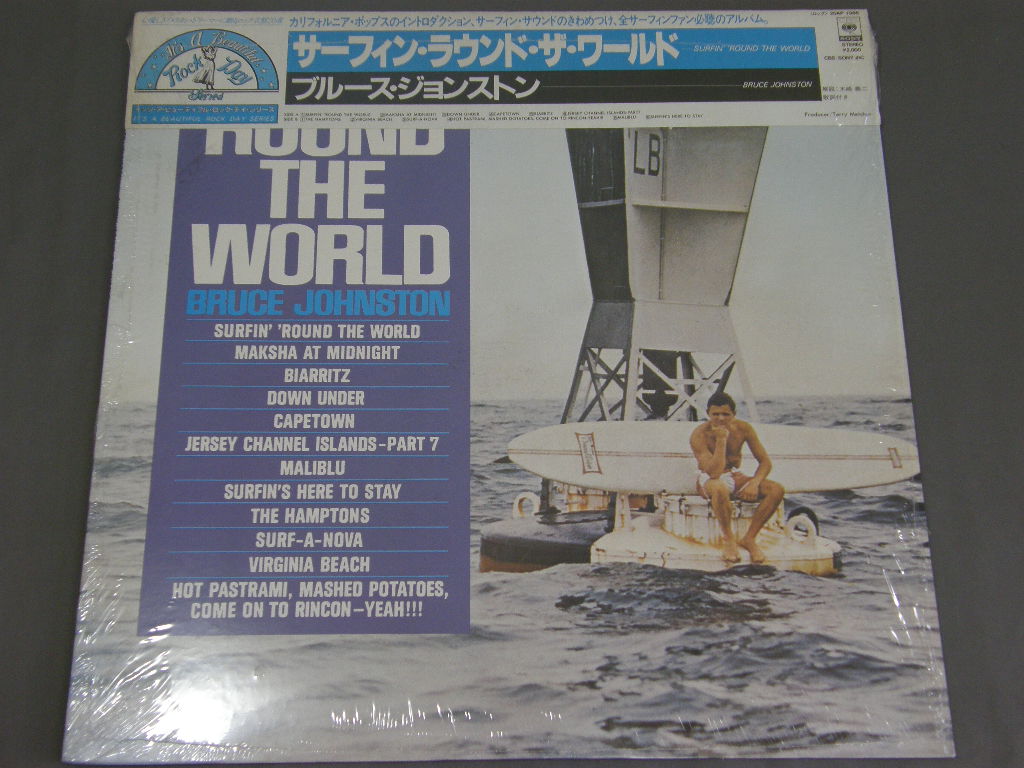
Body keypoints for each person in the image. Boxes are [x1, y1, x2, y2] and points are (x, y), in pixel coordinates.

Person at [688, 392, 784, 565]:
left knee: (776, 489)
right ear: (708, 413)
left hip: (733, 474)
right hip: (708, 478)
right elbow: (714, 473)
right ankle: (729, 539)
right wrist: (721, 440)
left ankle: (749, 538)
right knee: (719, 487)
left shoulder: (743, 428)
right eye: (715, 414)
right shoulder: (699, 434)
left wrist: (754, 483)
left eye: (726, 414)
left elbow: (765, 462)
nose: (720, 418)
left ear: (734, 414)